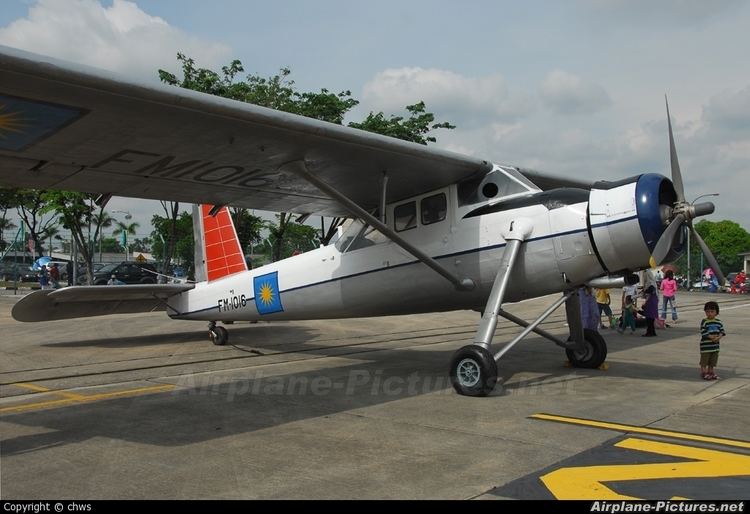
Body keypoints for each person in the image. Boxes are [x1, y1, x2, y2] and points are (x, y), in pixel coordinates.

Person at [699, 301, 725, 380]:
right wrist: (711, 337)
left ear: (716, 312)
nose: (709, 313)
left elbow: (722, 331)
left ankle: (711, 371)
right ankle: (704, 372)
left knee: (713, 360)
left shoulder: (718, 322)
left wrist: (718, 337)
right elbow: (703, 332)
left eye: (712, 311)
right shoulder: (704, 321)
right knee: (704, 360)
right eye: (707, 311)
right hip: (706, 346)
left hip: (715, 346)